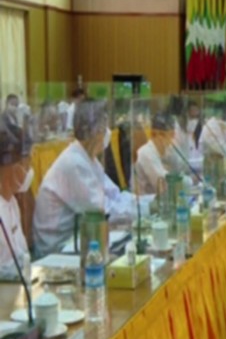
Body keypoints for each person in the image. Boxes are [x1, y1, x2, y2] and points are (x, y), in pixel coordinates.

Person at [33, 101, 136, 257]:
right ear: (93, 132)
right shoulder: (73, 163)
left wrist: (141, 203)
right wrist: (140, 209)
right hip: (58, 248)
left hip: (79, 238)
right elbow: (102, 211)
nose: (107, 133)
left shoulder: (88, 158)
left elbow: (114, 195)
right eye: (103, 127)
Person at [0, 117, 33, 279]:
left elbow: (21, 255)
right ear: (9, 167)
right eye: (26, 164)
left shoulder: (11, 202)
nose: (29, 170)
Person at [133, 113, 180, 195]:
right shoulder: (146, 153)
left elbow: (180, 169)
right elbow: (162, 185)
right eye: (157, 134)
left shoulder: (169, 150)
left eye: (171, 134)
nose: (160, 138)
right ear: (152, 134)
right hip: (147, 199)